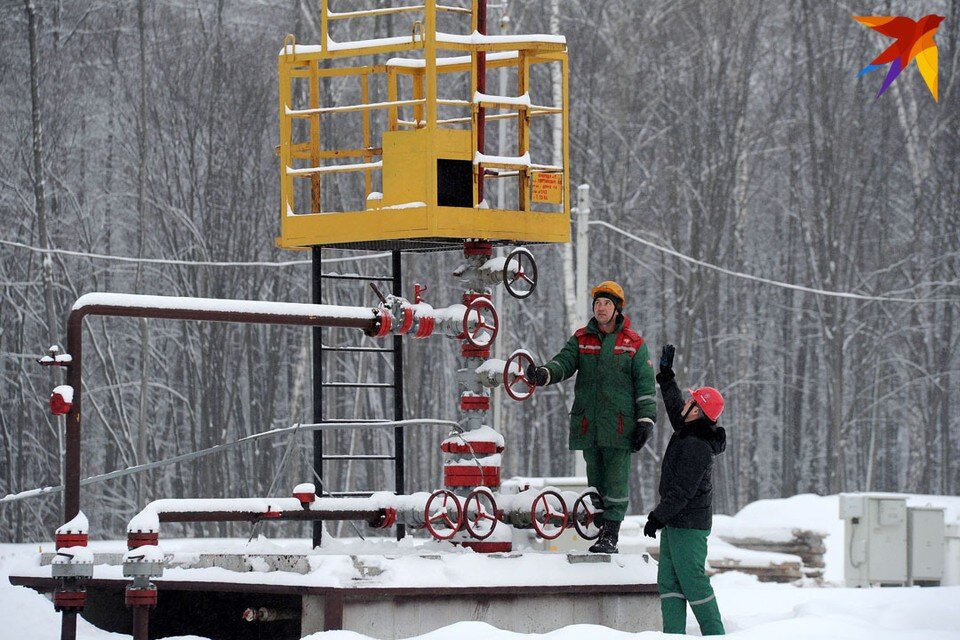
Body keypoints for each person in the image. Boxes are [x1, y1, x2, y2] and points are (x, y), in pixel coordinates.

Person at [526, 281, 657, 554]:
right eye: (598, 303)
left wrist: (646, 421)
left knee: (616, 483)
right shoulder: (581, 339)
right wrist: (543, 374)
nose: (601, 308)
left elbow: (645, 386)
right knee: (595, 481)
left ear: (617, 309)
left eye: (607, 303)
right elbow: (563, 363)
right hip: (589, 426)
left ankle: (611, 535)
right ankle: (599, 531)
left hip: (620, 427)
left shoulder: (633, 344)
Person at [643, 344, 726, 635]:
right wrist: (666, 377)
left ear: (698, 412)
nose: (685, 405)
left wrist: (658, 516)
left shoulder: (697, 446)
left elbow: (682, 491)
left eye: (692, 402)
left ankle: (715, 633)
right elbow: (674, 408)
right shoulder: (691, 430)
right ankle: (673, 634)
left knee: (692, 580)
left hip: (689, 524)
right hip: (677, 522)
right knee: (668, 581)